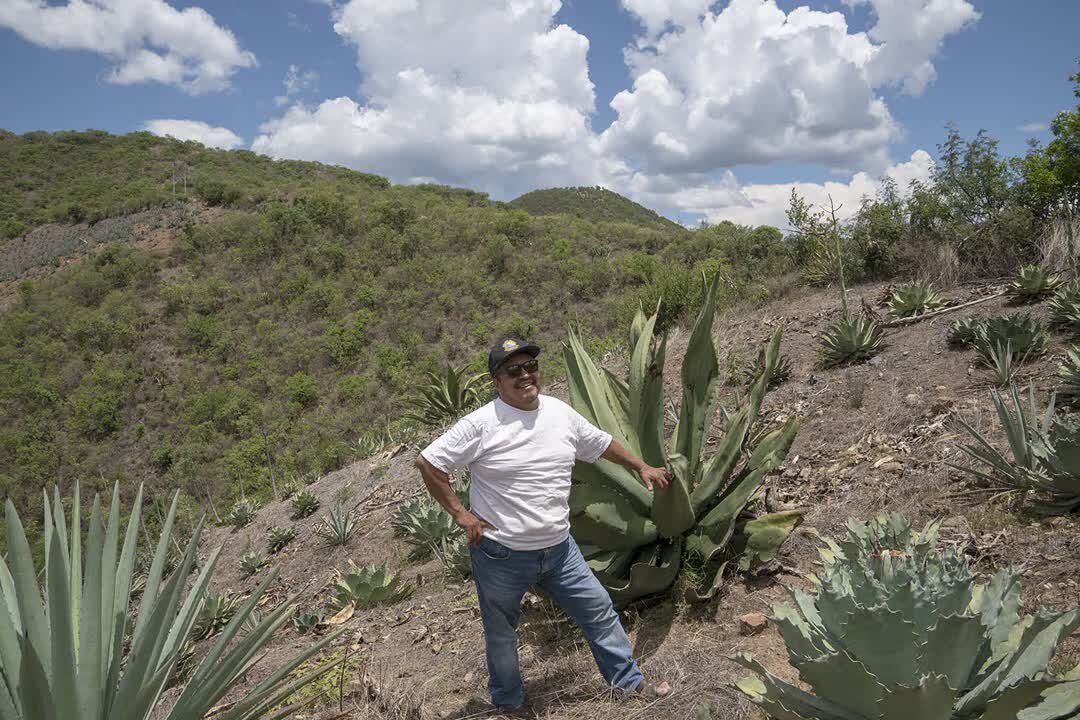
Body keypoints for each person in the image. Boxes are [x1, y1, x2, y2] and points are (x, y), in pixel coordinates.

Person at [414, 337, 671, 714]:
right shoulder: (482, 424)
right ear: (497, 382)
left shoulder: (559, 413)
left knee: (598, 608)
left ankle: (630, 686)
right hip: (502, 553)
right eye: (512, 370)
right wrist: (460, 514)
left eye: (530, 366)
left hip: (560, 550)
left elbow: (599, 444)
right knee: (502, 634)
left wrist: (640, 466)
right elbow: (429, 463)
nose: (525, 375)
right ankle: (509, 704)